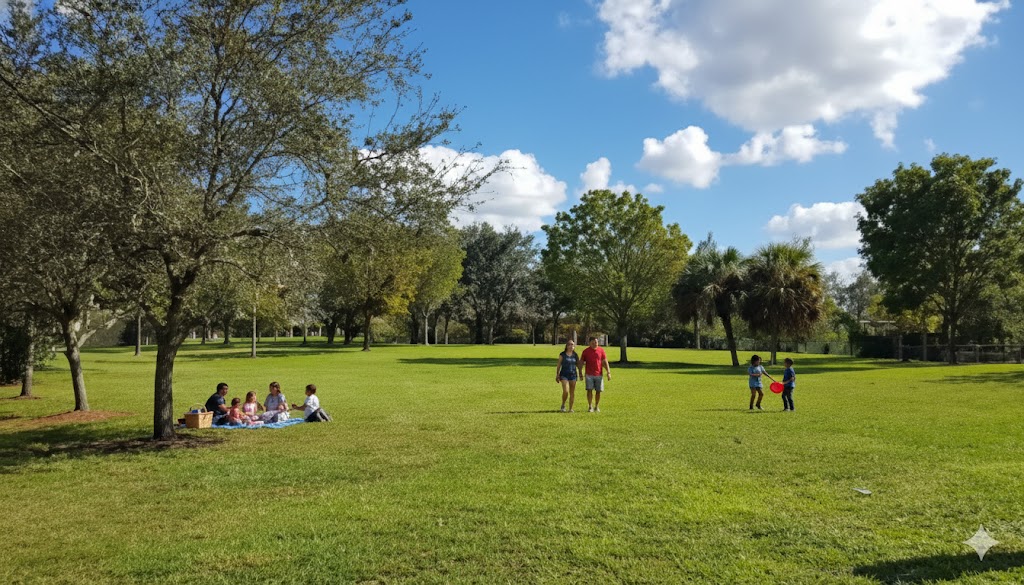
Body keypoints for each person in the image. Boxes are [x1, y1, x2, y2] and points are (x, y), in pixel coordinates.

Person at [580, 337, 611, 413]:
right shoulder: (585, 351)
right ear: (590, 343)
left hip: (599, 374)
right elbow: (581, 362)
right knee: (589, 390)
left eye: (596, 342)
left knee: (598, 391)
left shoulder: (601, 350)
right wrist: (580, 372)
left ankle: (596, 406)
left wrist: (608, 372)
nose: (595, 344)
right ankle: (590, 406)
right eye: (593, 342)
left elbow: (605, 361)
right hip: (589, 374)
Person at [555, 340, 581, 413]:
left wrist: (581, 373)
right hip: (564, 375)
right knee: (566, 391)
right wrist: (557, 374)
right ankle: (563, 405)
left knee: (572, 392)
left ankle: (570, 408)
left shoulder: (575, 355)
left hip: (573, 375)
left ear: (574, 346)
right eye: (569, 344)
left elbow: (578, 365)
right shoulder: (562, 354)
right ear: (566, 346)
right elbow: (559, 364)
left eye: (572, 345)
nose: (571, 346)